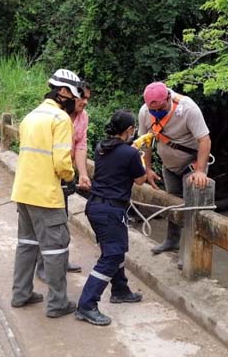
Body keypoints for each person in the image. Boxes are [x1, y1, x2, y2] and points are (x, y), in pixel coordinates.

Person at [10, 68, 82, 318]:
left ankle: (21, 294)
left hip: (23, 192)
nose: (76, 100)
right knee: (55, 249)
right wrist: (71, 177)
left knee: (27, 245)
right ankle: (57, 303)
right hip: (46, 196)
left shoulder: (30, 117)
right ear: (63, 92)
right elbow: (62, 162)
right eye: (74, 95)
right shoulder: (60, 119)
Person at [75, 109, 147, 326]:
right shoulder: (130, 153)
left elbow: (118, 162)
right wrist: (140, 155)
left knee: (114, 250)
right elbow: (141, 179)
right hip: (110, 211)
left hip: (96, 206)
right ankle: (86, 305)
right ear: (129, 130)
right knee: (112, 256)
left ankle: (120, 289)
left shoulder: (101, 148)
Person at [138, 82, 211, 260]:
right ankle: (172, 240)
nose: (156, 112)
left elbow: (204, 140)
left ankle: (190, 253)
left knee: (192, 208)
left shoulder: (188, 109)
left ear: (168, 98)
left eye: (160, 108)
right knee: (172, 203)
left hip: (191, 165)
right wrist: (147, 168)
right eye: (152, 109)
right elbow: (145, 141)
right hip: (169, 166)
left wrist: (200, 171)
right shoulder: (145, 112)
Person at [34, 82, 93, 279]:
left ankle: (61, 261)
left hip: (65, 175)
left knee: (62, 220)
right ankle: (43, 268)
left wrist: (83, 173)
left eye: (87, 99)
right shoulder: (56, 116)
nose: (84, 102)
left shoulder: (83, 118)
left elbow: (81, 147)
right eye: (81, 97)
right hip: (47, 177)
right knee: (48, 223)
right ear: (71, 96)